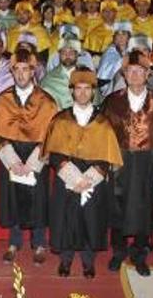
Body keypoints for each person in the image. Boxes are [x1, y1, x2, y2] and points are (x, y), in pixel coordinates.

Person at [101, 52, 153, 276]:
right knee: (117, 208)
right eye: (130, 71)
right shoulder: (112, 101)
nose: (134, 75)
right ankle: (119, 251)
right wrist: (105, 168)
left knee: (145, 209)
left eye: (140, 71)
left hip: (148, 163)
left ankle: (139, 254)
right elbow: (102, 136)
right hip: (119, 163)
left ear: (147, 74)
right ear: (124, 74)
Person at [45, 67, 122, 278]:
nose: (82, 93)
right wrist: (73, 177)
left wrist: (88, 179)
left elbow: (107, 156)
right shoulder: (60, 119)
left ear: (93, 91)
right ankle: (66, 260)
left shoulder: (103, 122)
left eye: (87, 88)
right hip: (67, 178)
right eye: (78, 88)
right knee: (67, 219)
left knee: (91, 219)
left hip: (93, 180)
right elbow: (54, 154)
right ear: (71, 91)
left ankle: (88, 262)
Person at [0, 48, 59, 264]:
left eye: (26, 69)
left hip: (36, 155)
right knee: (13, 198)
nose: (21, 74)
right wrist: (13, 162)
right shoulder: (3, 99)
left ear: (33, 71)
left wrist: (31, 163)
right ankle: (14, 242)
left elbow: (50, 135)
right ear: (12, 72)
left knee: (37, 199)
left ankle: (39, 242)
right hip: (11, 155)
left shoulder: (47, 101)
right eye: (17, 70)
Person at [40, 37, 82, 109]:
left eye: (71, 52)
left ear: (77, 55)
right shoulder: (49, 79)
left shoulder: (86, 74)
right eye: (63, 52)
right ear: (59, 55)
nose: (67, 56)